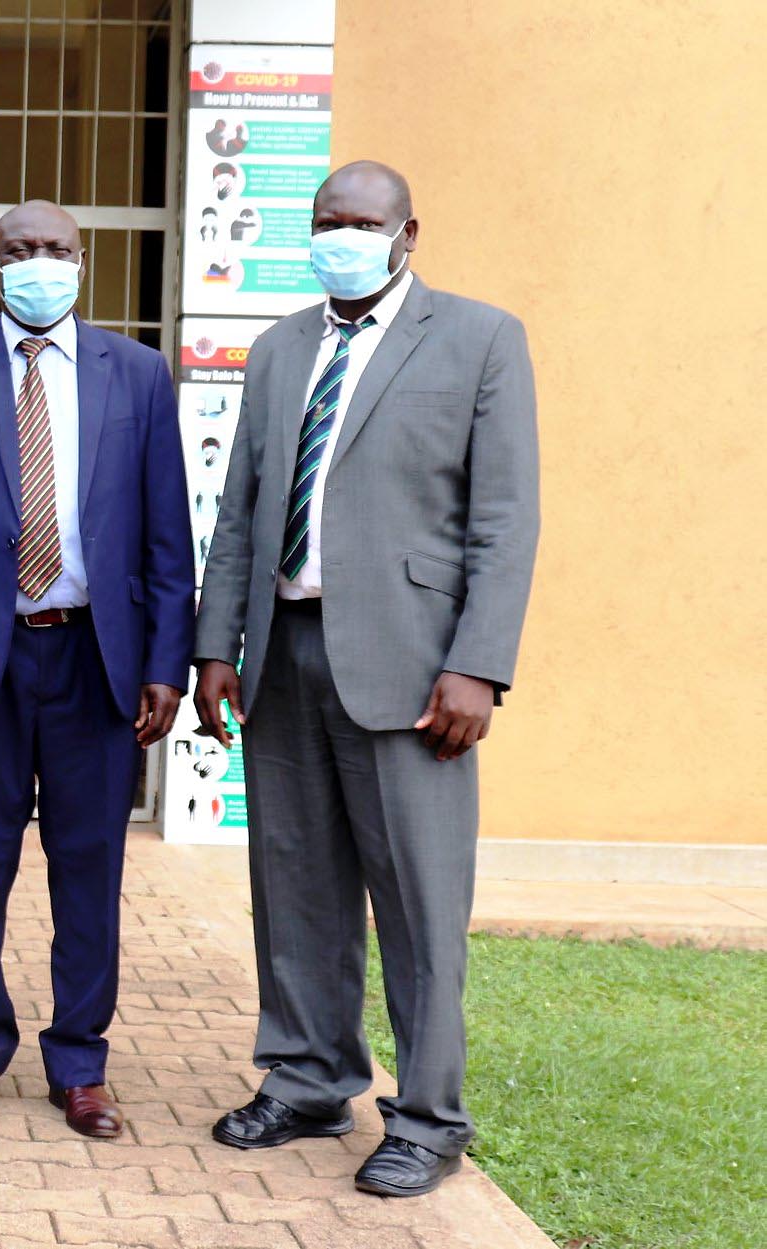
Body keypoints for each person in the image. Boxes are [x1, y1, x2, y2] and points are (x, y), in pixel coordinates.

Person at [193, 160, 539, 1197]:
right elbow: (243, 509)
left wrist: (475, 663)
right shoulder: (278, 347)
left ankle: (429, 1115)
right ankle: (305, 1077)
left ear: (405, 231)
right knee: (293, 884)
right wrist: (216, 646)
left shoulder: (479, 338)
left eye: (358, 221)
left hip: (412, 669)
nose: (337, 235)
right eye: (323, 221)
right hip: (284, 654)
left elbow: (503, 518)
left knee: (418, 901)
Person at [0, 200, 196, 1138]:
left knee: (88, 864)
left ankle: (80, 1061)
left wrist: (165, 662)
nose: (38, 264)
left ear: (81, 260)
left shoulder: (135, 374)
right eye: (19, 251)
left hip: (98, 654)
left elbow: (165, 531)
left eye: (54, 250)